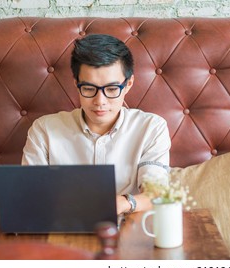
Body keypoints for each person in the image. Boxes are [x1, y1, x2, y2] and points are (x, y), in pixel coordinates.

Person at [22, 34, 171, 215]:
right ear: (77, 84)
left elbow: (156, 192)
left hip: (128, 231)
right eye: (89, 89)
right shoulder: (44, 130)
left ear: (129, 84)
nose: (100, 101)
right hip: (62, 229)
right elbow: (29, 195)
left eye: (112, 89)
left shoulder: (151, 128)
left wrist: (123, 203)